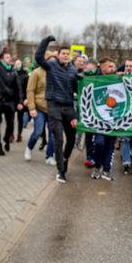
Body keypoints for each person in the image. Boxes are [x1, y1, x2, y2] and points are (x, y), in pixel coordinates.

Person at [35, 35, 80, 183]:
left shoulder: (73, 70)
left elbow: (78, 91)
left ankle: (65, 158)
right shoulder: (51, 66)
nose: (66, 56)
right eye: (63, 54)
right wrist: (46, 41)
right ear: (58, 55)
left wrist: (76, 115)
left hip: (68, 106)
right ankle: (61, 171)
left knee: (72, 137)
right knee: (59, 138)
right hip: (54, 105)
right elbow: (39, 57)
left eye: (68, 54)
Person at [25, 51, 56, 165]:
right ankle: (29, 147)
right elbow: (30, 90)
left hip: (53, 108)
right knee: (38, 131)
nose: (53, 62)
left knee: (53, 134)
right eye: (51, 59)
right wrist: (31, 107)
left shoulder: (55, 73)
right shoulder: (36, 73)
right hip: (39, 107)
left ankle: (49, 156)